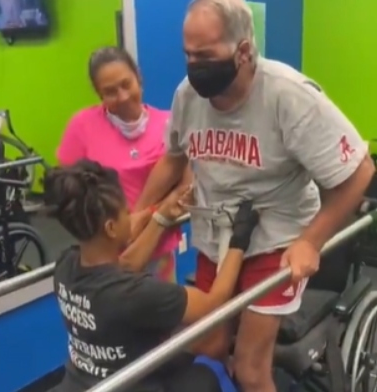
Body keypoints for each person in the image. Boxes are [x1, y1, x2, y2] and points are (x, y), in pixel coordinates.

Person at [133, 0, 375, 390]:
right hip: (216, 238)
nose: (195, 65)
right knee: (209, 346)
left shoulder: (288, 96)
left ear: (244, 50)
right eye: (188, 55)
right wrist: (141, 212)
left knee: (249, 367)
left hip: (276, 240)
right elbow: (172, 159)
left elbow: (360, 170)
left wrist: (311, 242)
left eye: (205, 55)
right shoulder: (187, 96)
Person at [45, 159, 260, 392]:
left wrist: (161, 216)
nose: (131, 214)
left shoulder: (66, 264)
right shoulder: (137, 294)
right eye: (125, 212)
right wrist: (239, 240)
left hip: (81, 383)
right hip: (131, 386)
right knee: (210, 371)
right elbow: (212, 304)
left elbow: (126, 265)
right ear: (110, 228)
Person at [56, 46, 191, 282]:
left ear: (138, 77)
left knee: (163, 317)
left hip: (158, 253)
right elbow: (68, 195)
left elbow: (186, 190)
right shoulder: (82, 127)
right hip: (105, 261)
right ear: (99, 94)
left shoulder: (168, 123)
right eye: (110, 92)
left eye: (126, 84)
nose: (122, 96)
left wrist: (144, 216)